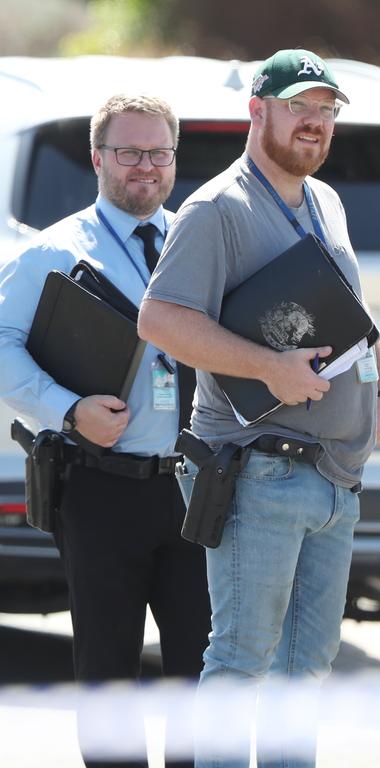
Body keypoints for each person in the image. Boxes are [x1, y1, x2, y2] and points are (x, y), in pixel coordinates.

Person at [137, 48, 380, 768]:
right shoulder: (217, 208)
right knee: (243, 662)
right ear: (258, 111)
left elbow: (348, 312)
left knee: (305, 673)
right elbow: (160, 320)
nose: (315, 122)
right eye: (299, 106)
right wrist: (266, 368)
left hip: (336, 477)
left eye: (326, 110)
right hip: (260, 474)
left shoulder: (328, 200)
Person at [0, 94, 209, 768]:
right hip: (100, 489)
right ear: (98, 158)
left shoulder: (197, 243)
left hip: (196, 491)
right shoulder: (53, 251)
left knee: (201, 675)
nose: (144, 166)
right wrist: (65, 408)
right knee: (108, 671)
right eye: (128, 152)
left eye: (158, 152)